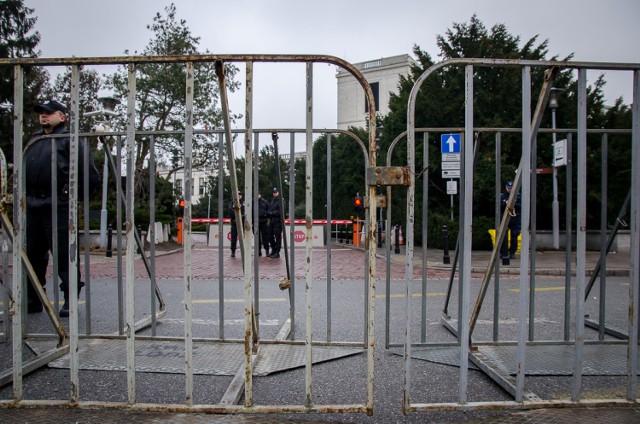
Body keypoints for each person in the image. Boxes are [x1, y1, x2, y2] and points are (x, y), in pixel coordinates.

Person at [25, 99, 100, 316]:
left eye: (48, 112)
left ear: (62, 116)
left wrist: (72, 199)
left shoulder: (69, 140)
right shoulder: (35, 140)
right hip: (33, 205)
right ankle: (33, 298)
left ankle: (69, 298)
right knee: (33, 255)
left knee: (64, 255)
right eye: (41, 113)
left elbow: (88, 173)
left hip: (59, 205)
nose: (43, 116)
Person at [500, 181, 521, 259]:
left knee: (514, 235)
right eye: (508, 188)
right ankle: (502, 252)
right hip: (505, 218)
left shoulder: (518, 196)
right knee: (503, 236)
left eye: (511, 188)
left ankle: (512, 252)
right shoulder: (502, 196)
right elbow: (499, 206)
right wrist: (506, 203)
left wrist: (513, 203)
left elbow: (520, 206)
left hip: (515, 218)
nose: (510, 190)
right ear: (506, 188)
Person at [227, 191, 245, 257]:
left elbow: (247, 210)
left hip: (243, 223)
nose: (239, 196)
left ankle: (245, 250)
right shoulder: (232, 202)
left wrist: (243, 215)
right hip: (234, 222)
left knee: (244, 238)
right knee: (234, 237)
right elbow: (230, 210)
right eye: (237, 195)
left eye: (240, 194)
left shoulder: (244, 202)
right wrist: (238, 215)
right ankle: (233, 251)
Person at [267, 187, 283, 258]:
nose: (275, 194)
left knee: (277, 237)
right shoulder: (272, 201)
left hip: (278, 221)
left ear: (278, 193)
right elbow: (270, 209)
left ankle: (277, 252)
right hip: (272, 221)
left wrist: (271, 213)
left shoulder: (281, 201)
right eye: (274, 193)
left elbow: (280, 212)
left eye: (276, 192)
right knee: (270, 236)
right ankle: (273, 250)